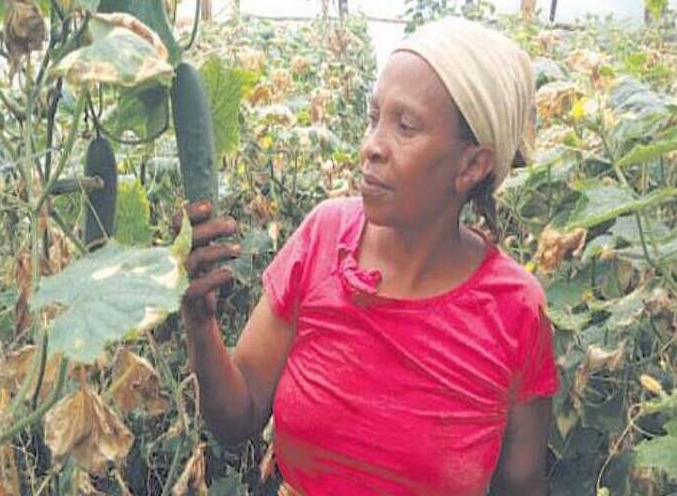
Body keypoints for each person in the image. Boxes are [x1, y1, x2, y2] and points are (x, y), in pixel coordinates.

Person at [179, 17, 559, 496]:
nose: (371, 147)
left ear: (471, 165)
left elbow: (522, 486)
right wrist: (201, 325)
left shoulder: (516, 309)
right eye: (374, 116)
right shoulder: (323, 236)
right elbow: (239, 417)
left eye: (405, 126)